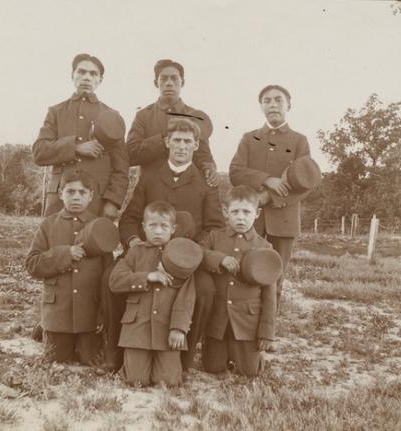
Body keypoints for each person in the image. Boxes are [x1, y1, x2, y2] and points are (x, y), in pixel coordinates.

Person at [113, 117, 224, 375]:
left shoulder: (206, 183)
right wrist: (134, 242)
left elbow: (214, 226)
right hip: (146, 255)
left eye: (188, 141)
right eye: (176, 140)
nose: (182, 146)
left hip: (188, 261)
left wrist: (190, 255)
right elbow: (129, 218)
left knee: (206, 290)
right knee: (111, 279)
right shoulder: (150, 176)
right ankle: (117, 350)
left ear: (196, 145)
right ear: (167, 142)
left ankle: (184, 353)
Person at [229, 85, 311, 333]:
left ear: (288, 105)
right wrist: (267, 180)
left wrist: (268, 198)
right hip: (249, 220)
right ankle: (239, 329)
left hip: (284, 219)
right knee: (243, 270)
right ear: (261, 106)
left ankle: (266, 332)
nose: (273, 105)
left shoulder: (299, 141)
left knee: (274, 276)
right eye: (267, 101)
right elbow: (235, 171)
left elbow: (306, 182)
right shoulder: (249, 137)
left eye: (278, 100)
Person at [25, 170, 112, 365]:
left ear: (91, 196)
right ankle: (44, 328)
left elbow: (108, 276)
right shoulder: (48, 225)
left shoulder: (100, 227)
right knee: (56, 360)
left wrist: (102, 315)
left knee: (92, 360)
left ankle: (49, 330)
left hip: (89, 317)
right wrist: (65, 254)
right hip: (58, 314)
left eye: (82, 192)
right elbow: (32, 264)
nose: (76, 197)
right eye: (70, 192)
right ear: (60, 193)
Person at [109, 201, 196, 387]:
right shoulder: (134, 253)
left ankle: (171, 366)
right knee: (136, 380)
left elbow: (187, 296)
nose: (158, 231)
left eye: (164, 226)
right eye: (152, 226)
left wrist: (179, 328)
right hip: (137, 328)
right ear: (143, 228)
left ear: (173, 229)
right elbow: (115, 281)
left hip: (167, 328)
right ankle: (133, 365)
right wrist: (148, 276)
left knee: (167, 381)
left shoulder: (181, 256)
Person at [32, 53, 129, 219]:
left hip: (96, 202)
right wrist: (76, 147)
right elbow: (39, 153)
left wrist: (112, 201)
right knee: (56, 243)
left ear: (100, 80)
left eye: (93, 74)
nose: (87, 77)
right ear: (72, 75)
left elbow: (121, 167)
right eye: (81, 72)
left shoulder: (112, 116)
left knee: (92, 244)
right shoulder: (56, 112)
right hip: (59, 202)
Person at [198, 185, 276, 376]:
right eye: (235, 212)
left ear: (257, 213)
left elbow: (270, 295)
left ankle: (249, 354)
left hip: (247, 323)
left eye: (246, 212)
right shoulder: (215, 237)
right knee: (213, 368)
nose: (241, 217)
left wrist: (266, 332)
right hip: (218, 321)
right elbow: (198, 253)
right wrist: (220, 259)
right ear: (226, 212)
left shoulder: (265, 247)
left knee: (249, 371)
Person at [126, 59, 219, 187]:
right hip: (150, 190)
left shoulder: (195, 115)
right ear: (156, 83)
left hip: (187, 189)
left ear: (183, 82)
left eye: (174, 78)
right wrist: (162, 142)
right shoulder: (144, 115)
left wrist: (210, 168)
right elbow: (130, 154)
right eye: (163, 79)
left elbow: (204, 155)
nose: (169, 83)